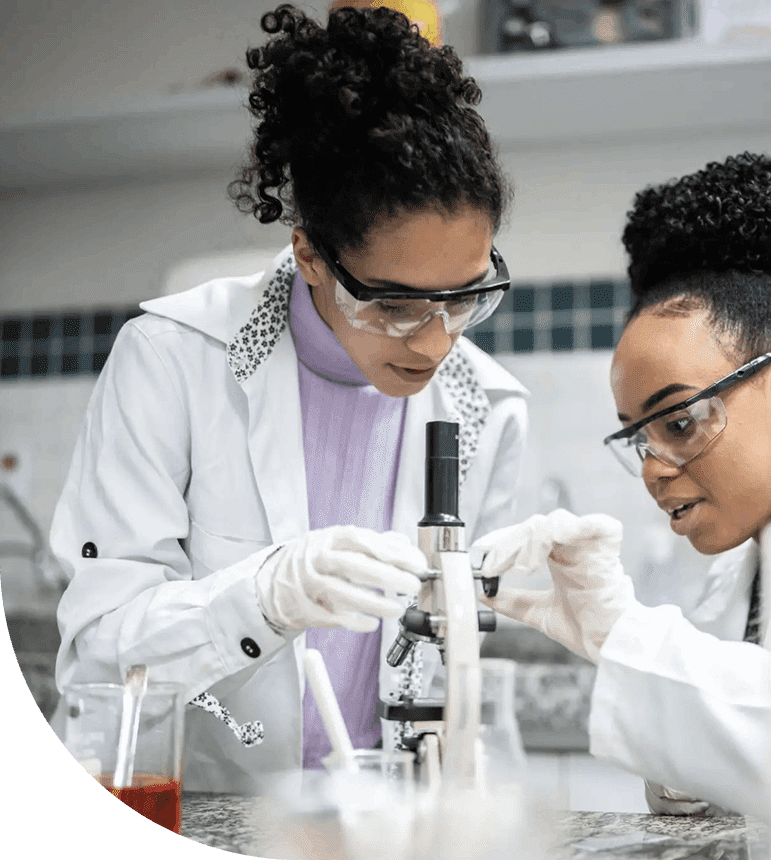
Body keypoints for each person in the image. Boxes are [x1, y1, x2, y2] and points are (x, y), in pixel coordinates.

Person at [51, 4, 527, 793]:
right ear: (309, 253)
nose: (436, 344)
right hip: (200, 809)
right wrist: (263, 598)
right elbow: (98, 658)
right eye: (395, 305)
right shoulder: (171, 359)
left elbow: (451, 669)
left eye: (466, 297)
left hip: (380, 819)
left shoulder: (489, 407)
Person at [474, 153, 771, 858]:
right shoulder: (736, 579)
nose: (652, 469)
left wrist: (628, 637)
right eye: (638, 438)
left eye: (678, 422)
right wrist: (685, 773)